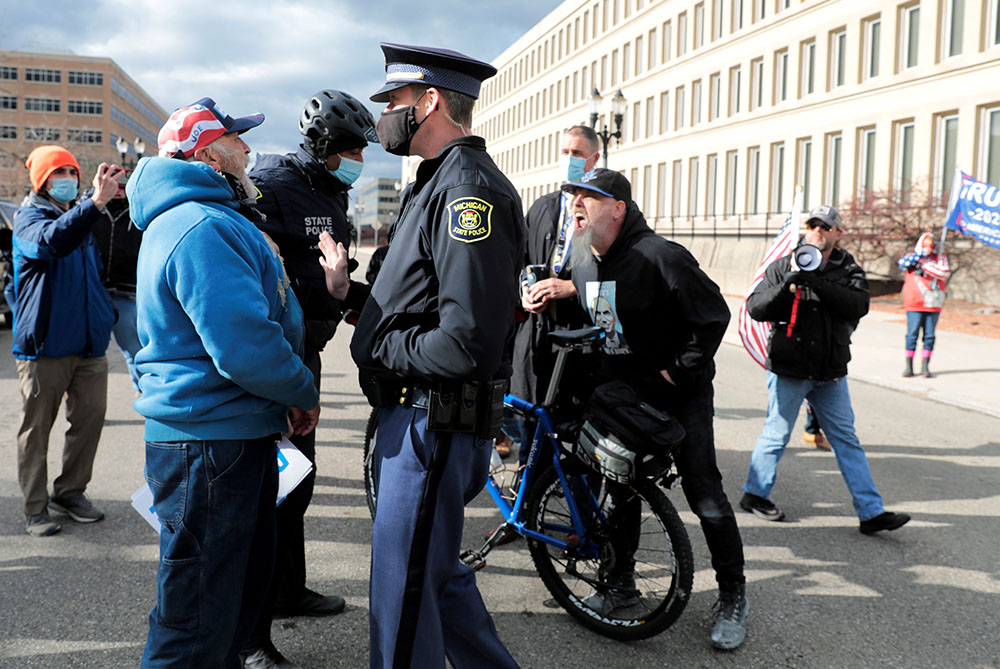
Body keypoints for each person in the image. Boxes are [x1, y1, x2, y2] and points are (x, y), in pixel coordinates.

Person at [326, 42, 523, 668]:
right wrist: (350, 295)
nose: (384, 113)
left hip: (430, 422)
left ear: (431, 101)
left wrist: (378, 344)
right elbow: (423, 303)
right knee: (435, 576)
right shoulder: (433, 182)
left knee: (402, 593)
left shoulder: (469, 192)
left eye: (395, 101)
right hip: (415, 416)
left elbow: (466, 342)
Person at [126, 98, 320, 668]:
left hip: (220, 435)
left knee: (222, 606)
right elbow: (244, 347)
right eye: (237, 141)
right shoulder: (202, 225)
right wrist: (302, 389)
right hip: (211, 442)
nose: (248, 151)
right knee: (195, 622)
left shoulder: (203, 218)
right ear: (211, 154)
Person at [563, 168, 749, 651]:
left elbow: (713, 316)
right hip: (622, 399)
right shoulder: (582, 262)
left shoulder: (661, 257)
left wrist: (678, 371)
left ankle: (732, 595)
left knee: (704, 491)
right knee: (619, 490)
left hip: (680, 397)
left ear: (618, 208)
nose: (577, 204)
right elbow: (597, 319)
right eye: (574, 198)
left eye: (588, 197)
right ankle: (621, 583)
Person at [242, 89, 376, 667]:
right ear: (321, 145)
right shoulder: (271, 184)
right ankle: (251, 629)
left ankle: (288, 589)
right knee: (266, 491)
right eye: (349, 150)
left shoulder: (334, 190)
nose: (358, 161)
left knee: (297, 483)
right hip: (277, 357)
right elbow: (259, 266)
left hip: (310, 352)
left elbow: (332, 271)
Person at [740, 204, 911, 536]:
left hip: (830, 371)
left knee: (846, 440)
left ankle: (871, 512)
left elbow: (857, 305)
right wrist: (789, 282)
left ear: (837, 233)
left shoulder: (847, 268)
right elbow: (755, 308)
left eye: (825, 226)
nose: (818, 230)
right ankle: (755, 494)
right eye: (813, 225)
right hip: (789, 369)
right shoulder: (784, 265)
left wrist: (816, 281)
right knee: (776, 434)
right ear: (806, 230)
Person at [11, 145, 120, 537]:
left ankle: (70, 492)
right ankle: (35, 508)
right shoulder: (29, 218)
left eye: (72, 173)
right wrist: (92, 203)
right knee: (36, 430)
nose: (68, 180)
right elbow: (51, 243)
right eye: (59, 173)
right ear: (42, 180)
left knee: (89, 420)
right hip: (45, 347)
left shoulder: (81, 216)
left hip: (89, 345)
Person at [500, 126, 596, 463]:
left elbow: (619, 274)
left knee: (575, 441)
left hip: (580, 343)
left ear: (594, 159)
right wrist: (524, 291)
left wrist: (571, 288)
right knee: (532, 432)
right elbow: (518, 262)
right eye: (566, 152)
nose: (569, 159)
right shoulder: (542, 207)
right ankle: (528, 508)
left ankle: (576, 509)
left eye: (578, 154)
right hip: (536, 340)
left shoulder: (605, 210)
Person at [90, 170, 143, 393]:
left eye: (123, 187)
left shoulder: (139, 212)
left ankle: (145, 393)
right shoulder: (89, 209)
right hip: (94, 293)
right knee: (89, 356)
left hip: (127, 293)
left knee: (135, 351)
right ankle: (86, 406)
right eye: (114, 186)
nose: (118, 191)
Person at [898, 232, 951, 378]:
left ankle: (925, 366)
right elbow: (903, 264)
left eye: (931, 244)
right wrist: (921, 256)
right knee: (912, 334)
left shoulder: (940, 258)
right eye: (926, 244)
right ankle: (909, 366)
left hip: (933, 303)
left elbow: (944, 272)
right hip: (914, 303)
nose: (929, 247)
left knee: (929, 336)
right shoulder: (913, 257)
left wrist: (926, 267)